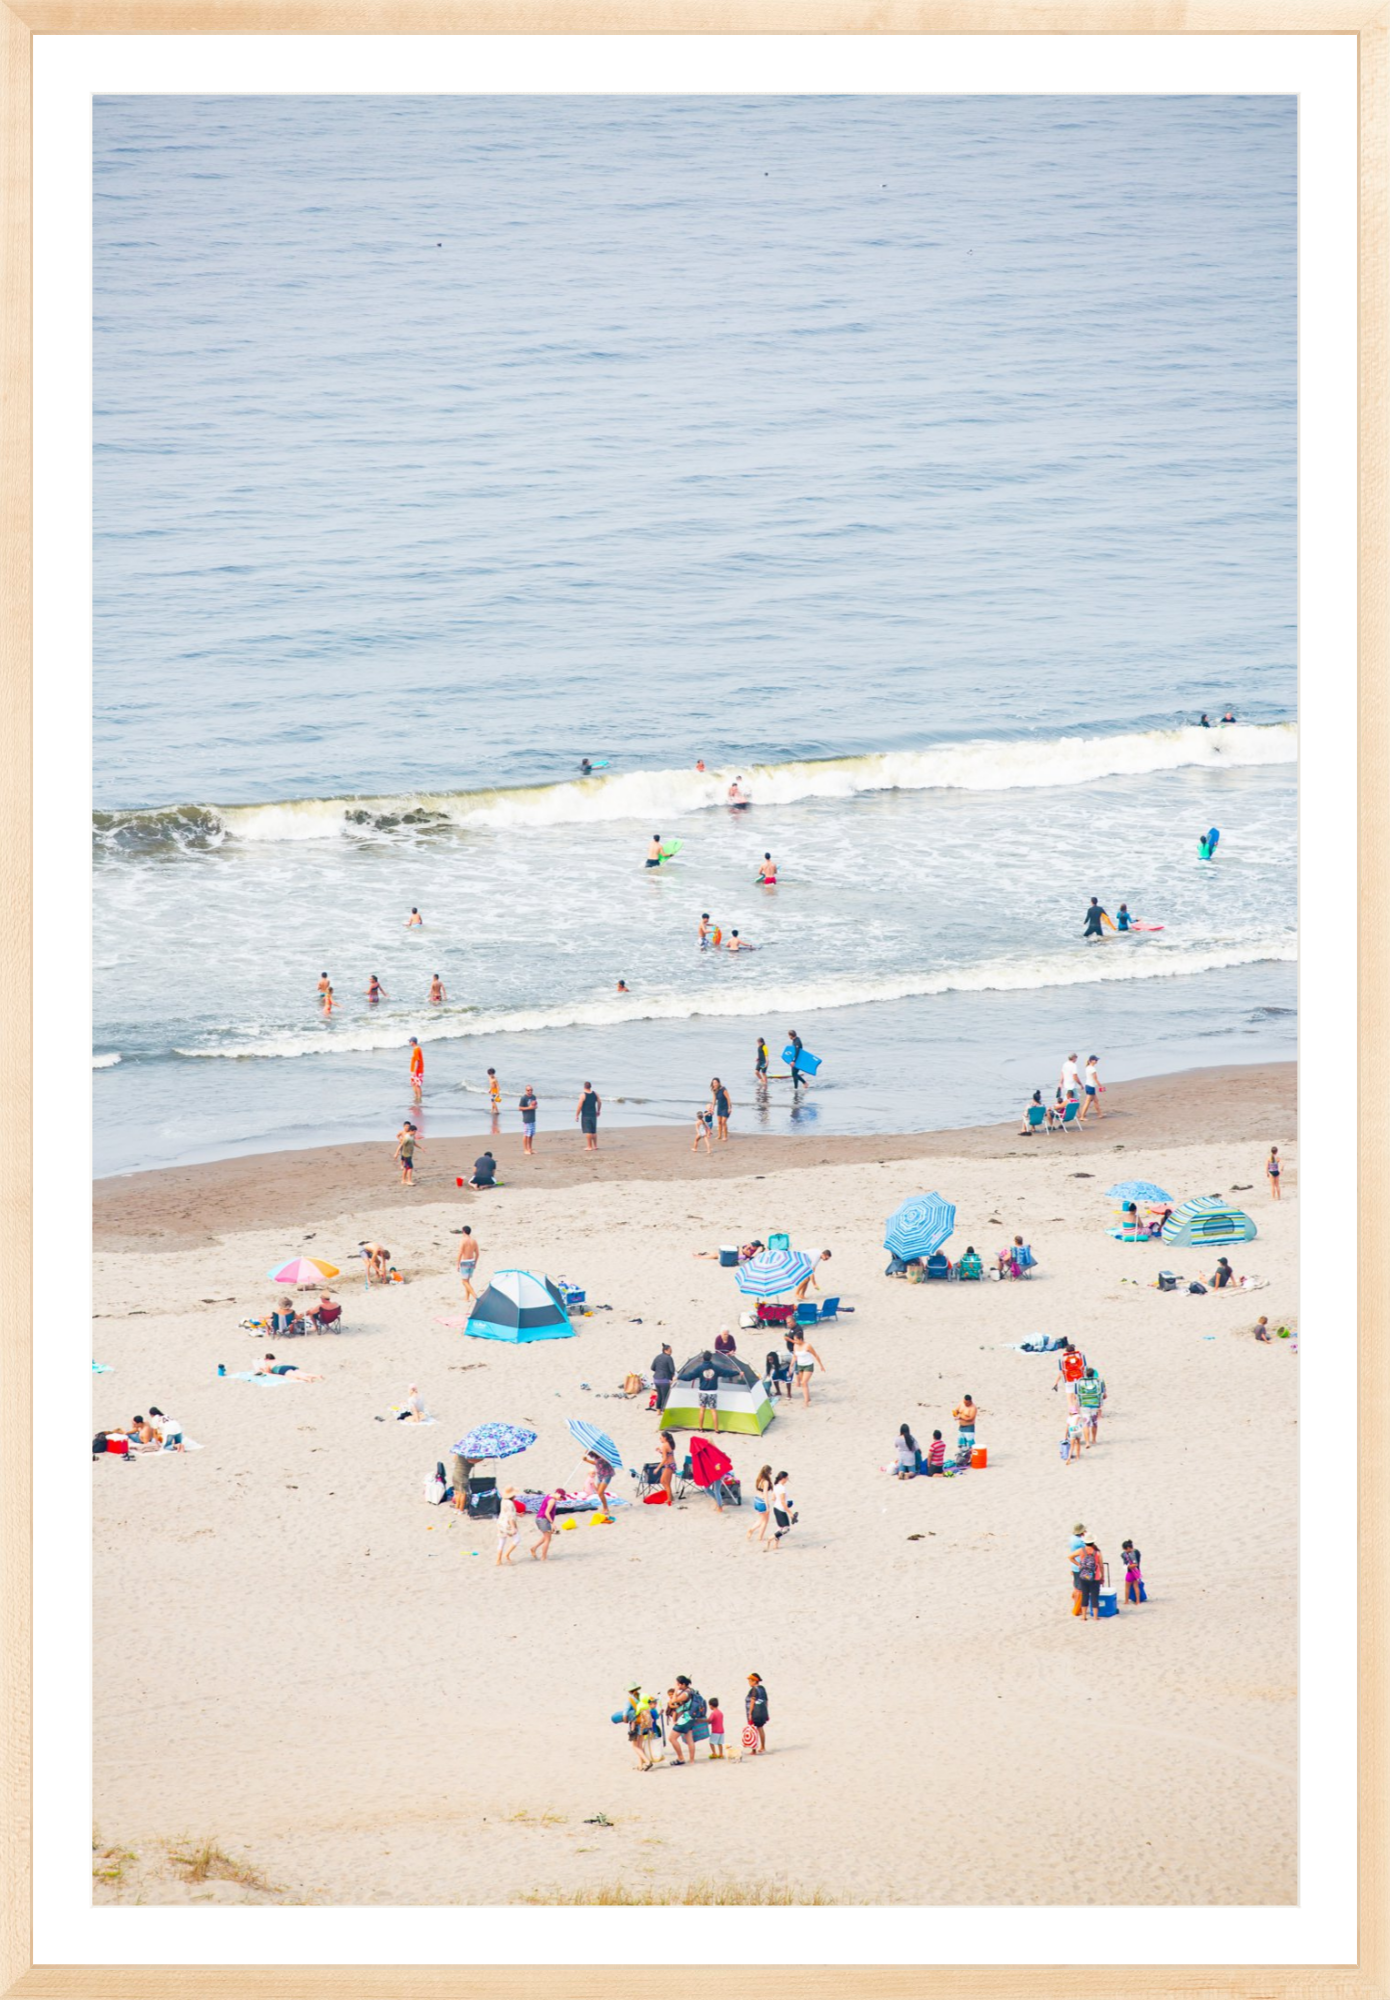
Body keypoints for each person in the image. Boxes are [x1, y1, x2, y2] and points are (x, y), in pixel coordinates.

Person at [789, 1330, 825, 1405]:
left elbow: (816, 1355)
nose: (794, 1341)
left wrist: (821, 1365)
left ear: (801, 1339)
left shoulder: (807, 1346)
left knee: (804, 1382)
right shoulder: (795, 1345)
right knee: (804, 1383)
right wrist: (791, 1365)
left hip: (808, 1365)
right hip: (800, 1365)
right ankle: (808, 1398)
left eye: (796, 1340)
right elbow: (795, 1356)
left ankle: (806, 1402)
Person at [1076, 1368, 1105, 1445]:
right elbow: (1101, 1395)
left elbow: (1078, 1395)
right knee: (1094, 1423)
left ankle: (1087, 1442)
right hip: (1095, 1404)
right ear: (1093, 1374)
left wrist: (1079, 1405)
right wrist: (1100, 1405)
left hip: (1084, 1405)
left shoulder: (1081, 1383)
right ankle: (1094, 1440)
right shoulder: (1097, 1382)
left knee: (1086, 1423)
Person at [1075, 1540, 1104, 1618]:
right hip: (1095, 1577)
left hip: (1083, 1576)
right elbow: (1101, 1565)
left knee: (1085, 1595)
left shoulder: (1081, 1550)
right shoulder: (1097, 1552)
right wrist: (1102, 1576)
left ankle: (1084, 1616)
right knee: (1094, 1596)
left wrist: (1079, 1565)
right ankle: (1095, 1617)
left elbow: (1070, 1557)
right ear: (1093, 1542)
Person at [695, 1350, 722, 1433]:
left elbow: (689, 1376)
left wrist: (679, 1377)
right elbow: (726, 1372)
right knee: (713, 1410)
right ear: (711, 1358)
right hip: (712, 1392)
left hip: (702, 1391)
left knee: (702, 1410)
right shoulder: (715, 1368)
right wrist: (738, 1372)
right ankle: (716, 1429)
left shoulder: (700, 1368)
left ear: (703, 1358)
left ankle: (700, 1428)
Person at [767, 1472, 795, 1551]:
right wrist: (790, 1513)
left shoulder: (776, 1486)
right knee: (786, 1529)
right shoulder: (782, 1488)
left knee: (780, 1527)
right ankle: (770, 1538)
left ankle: (776, 1545)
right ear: (783, 1478)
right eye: (787, 1478)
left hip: (776, 1508)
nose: (787, 1480)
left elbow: (773, 1498)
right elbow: (782, 1502)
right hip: (780, 1509)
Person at [584, 1450, 615, 1522]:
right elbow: (591, 1455)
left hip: (607, 1474)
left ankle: (605, 1508)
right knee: (598, 1491)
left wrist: (586, 1460)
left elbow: (596, 1462)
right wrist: (587, 1452)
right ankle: (604, 1504)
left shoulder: (602, 1457)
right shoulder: (596, 1454)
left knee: (600, 1492)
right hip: (600, 1474)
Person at [747, 1464, 775, 1542]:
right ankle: (759, 1536)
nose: (770, 1474)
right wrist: (767, 1506)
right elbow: (765, 1494)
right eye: (770, 1473)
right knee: (765, 1521)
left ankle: (751, 1530)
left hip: (757, 1500)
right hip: (762, 1502)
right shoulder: (765, 1482)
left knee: (761, 1519)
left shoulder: (759, 1479)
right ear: (768, 1473)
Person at [531, 1489, 561, 1560]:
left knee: (546, 1536)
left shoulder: (550, 1495)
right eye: (561, 1497)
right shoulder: (552, 1500)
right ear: (557, 1493)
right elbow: (547, 1513)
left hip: (540, 1519)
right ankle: (543, 1557)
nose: (561, 1499)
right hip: (543, 1520)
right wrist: (552, 1523)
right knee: (548, 1539)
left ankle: (533, 1548)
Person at [495, 1487, 521, 1565]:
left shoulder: (503, 1500)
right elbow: (510, 1517)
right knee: (517, 1539)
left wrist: (518, 1514)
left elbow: (506, 1512)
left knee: (501, 1541)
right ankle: (507, 1554)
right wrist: (513, 1528)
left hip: (500, 1522)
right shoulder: (510, 1503)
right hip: (507, 1524)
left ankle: (498, 1560)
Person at [455, 1225, 480, 1302]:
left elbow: (460, 1253)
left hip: (465, 1262)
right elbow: (477, 1253)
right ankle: (467, 1298)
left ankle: (475, 1296)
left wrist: (457, 1264)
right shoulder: (474, 1241)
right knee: (467, 1281)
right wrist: (475, 1263)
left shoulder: (463, 1240)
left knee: (464, 1281)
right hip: (472, 1262)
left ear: (463, 1231)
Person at [745, 1673, 769, 1752]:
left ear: (755, 1681)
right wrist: (766, 1712)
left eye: (750, 1680)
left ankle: (753, 1750)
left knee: (753, 1730)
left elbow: (752, 1701)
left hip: (755, 1712)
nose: (749, 1682)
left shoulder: (754, 1690)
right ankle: (762, 1747)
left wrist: (750, 1714)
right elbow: (766, 1701)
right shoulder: (762, 1688)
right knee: (760, 1728)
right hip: (762, 1711)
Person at [257, 1353, 323, 1381]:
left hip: (281, 1369)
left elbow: (269, 1372)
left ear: (267, 1359)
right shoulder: (277, 1360)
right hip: (288, 1366)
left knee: (296, 1375)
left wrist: (263, 1370)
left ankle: (308, 1379)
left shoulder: (268, 1362)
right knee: (303, 1373)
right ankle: (317, 1376)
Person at [576, 1082, 601, 1150]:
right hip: (593, 1114)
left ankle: (589, 1146)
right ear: (590, 1087)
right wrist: (598, 1110)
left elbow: (579, 1106)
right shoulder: (595, 1094)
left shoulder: (583, 1095)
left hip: (586, 1115)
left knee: (588, 1131)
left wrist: (577, 1115)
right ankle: (595, 1146)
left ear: (584, 1087)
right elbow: (599, 1102)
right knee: (593, 1131)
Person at [651, 1343, 675, 1412]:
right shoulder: (669, 1358)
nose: (671, 1351)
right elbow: (672, 1370)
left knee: (659, 1395)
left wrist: (659, 1370)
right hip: (664, 1380)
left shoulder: (657, 1357)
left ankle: (658, 1411)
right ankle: (664, 1411)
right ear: (665, 1351)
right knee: (665, 1396)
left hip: (656, 1379)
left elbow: (652, 1367)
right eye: (670, 1350)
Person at [655, 1429, 678, 1502]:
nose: (660, 1439)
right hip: (672, 1464)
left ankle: (669, 1499)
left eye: (661, 1437)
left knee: (663, 1481)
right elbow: (668, 1454)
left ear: (665, 1438)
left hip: (669, 1465)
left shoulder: (664, 1445)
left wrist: (657, 1468)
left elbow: (664, 1458)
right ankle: (670, 1497)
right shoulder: (669, 1444)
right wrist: (660, 1451)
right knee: (667, 1482)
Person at [395, 1121, 419, 1186]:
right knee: (410, 1167)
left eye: (408, 1126)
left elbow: (414, 1143)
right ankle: (409, 1181)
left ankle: (403, 1180)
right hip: (406, 1153)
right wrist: (396, 1153)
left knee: (406, 1167)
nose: (407, 1127)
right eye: (406, 1126)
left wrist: (421, 1148)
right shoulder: (406, 1136)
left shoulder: (411, 1136)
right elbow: (400, 1144)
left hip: (408, 1152)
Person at [1081, 1054, 1103, 1121]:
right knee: (1087, 1102)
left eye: (1096, 1060)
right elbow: (1095, 1079)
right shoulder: (1092, 1069)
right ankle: (1082, 1116)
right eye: (1095, 1060)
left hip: (1088, 1085)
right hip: (1090, 1086)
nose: (1096, 1061)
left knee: (1096, 1101)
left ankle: (1100, 1114)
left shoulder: (1087, 1067)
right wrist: (1100, 1086)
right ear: (1091, 1061)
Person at [1121, 1539, 1144, 1605]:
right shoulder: (1137, 1552)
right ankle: (1138, 1601)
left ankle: (1126, 1601)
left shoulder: (1130, 1554)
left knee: (1127, 1587)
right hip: (1137, 1572)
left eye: (1125, 1549)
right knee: (1136, 1586)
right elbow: (1138, 1562)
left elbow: (1134, 1564)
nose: (1125, 1551)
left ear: (1128, 1548)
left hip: (1130, 1572)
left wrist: (1127, 1567)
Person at [519, 1085, 538, 1155]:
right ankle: (525, 1149)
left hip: (533, 1118)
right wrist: (529, 1108)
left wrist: (535, 1106)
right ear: (526, 1090)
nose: (530, 1091)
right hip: (526, 1119)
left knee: (531, 1134)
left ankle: (530, 1148)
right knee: (526, 1134)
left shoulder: (534, 1097)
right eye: (528, 1090)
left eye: (531, 1090)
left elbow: (536, 1105)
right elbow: (520, 1108)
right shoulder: (523, 1098)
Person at [711, 1078, 731, 1142]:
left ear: (719, 1083)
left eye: (716, 1082)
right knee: (719, 1122)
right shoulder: (714, 1090)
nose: (714, 1084)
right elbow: (714, 1100)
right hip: (719, 1107)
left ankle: (725, 1137)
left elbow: (728, 1098)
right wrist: (712, 1108)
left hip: (726, 1107)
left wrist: (729, 1108)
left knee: (723, 1122)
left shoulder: (723, 1089)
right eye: (713, 1083)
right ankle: (719, 1136)